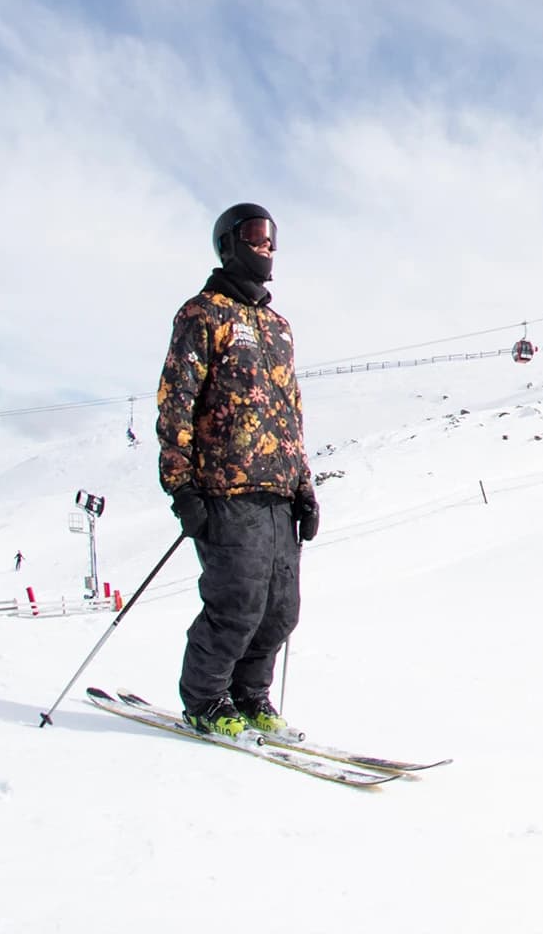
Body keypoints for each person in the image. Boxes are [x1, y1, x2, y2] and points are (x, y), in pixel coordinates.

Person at [155, 203, 320, 737]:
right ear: (228, 244)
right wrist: (182, 488)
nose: (267, 246)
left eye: (272, 237)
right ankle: (205, 700)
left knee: (281, 610)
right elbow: (176, 402)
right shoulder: (202, 314)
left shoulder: (279, 328)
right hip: (226, 491)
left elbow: (290, 411)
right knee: (237, 602)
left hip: (277, 493)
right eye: (255, 235)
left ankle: (250, 696)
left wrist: (304, 488)